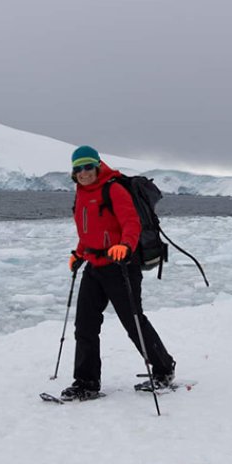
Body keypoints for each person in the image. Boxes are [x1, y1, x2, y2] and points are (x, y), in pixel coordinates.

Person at [60, 145, 176, 401]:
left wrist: (125, 246)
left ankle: (164, 370)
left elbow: (131, 223)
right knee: (85, 325)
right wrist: (79, 253)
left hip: (121, 266)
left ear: (97, 166)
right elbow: (88, 231)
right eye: (78, 169)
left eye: (88, 167)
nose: (83, 173)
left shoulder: (113, 189)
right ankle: (86, 382)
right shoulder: (81, 193)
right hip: (94, 266)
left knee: (133, 323)